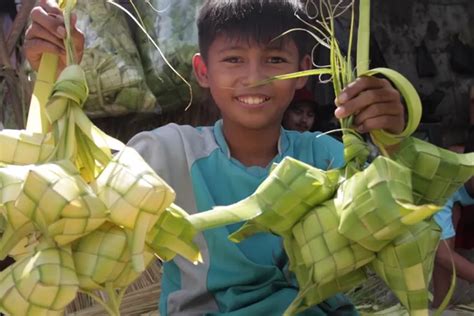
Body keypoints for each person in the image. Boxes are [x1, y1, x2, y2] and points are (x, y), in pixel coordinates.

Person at [25, 0, 406, 315]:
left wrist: (395, 140)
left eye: (274, 59)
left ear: (303, 70)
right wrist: (53, 79)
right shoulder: (169, 152)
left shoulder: (329, 157)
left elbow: (399, 227)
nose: (254, 77)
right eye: (234, 59)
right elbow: (65, 194)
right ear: (203, 71)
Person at [432, 127, 474, 308]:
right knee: (442, 246)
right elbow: (443, 256)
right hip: (399, 207)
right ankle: (441, 305)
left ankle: (442, 305)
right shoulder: (443, 176)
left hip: (456, 196)